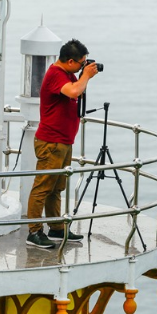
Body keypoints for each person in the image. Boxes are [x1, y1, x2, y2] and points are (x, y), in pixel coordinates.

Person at [26, 38, 99, 249]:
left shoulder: (68, 74)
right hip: (51, 141)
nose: (83, 66)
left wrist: (83, 76)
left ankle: (56, 227)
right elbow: (74, 92)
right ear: (69, 61)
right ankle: (34, 231)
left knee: (56, 187)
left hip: (63, 141)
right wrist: (85, 76)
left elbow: (77, 89)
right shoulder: (55, 75)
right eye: (81, 62)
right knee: (42, 187)